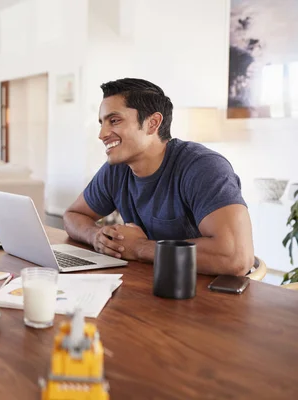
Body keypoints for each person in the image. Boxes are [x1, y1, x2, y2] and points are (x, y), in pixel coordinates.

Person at [64, 78, 254, 276]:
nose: (102, 134)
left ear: (152, 123)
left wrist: (139, 247)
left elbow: (236, 258)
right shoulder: (117, 169)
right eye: (102, 123)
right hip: (152, 282)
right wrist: (96, 236)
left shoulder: (203, 167)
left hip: (204, 290)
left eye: (114, 121)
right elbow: (73, 215)